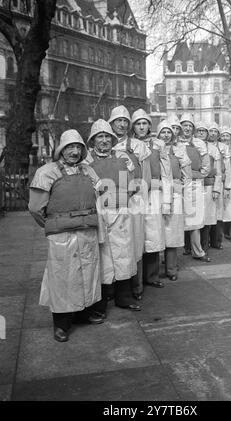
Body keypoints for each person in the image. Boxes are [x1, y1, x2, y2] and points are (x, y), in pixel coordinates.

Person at [28, 129, 105, 342]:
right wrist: (55, 224)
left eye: (78, 147)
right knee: (63, 276)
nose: (74, 151)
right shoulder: (47, 172)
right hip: (61, 236)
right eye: (70, 147)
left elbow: (100, 196)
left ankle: (83, 313)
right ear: (61, 149)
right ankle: (61, 324)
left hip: (87, 230)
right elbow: (35, 208)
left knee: (87, 273)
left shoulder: (89, 171)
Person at [85, 119, 141, 312]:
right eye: (100, 137)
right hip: (99, 213)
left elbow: (131, 184)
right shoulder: (86, 162)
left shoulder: (122, 158)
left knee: (123, 252)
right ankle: (100, 300)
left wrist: (123, 199)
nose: (104, 140)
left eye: (107, 137)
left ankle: (123, 297)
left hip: (121, 212)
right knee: (102, 255)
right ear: (92, 140)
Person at [108, 105, 151, 301]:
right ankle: (112, 288)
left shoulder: (139, 146)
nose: (122, 124)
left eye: (125, 121)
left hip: (134, 200)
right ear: (111, 123)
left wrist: (142, 199)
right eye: (119, 121)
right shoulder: (104, 143)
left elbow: (147, 177)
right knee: (113, 246)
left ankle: (136, 286)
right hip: (110, 202)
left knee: (135, 242)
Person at [131, 109, 173, 288]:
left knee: (154, 234)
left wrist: (167, 199)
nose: (141, 127)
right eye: (138, 124)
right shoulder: (128, 144)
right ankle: (136, 281)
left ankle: (152, 276)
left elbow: (166, 173)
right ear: (133, 126)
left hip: (155, 192)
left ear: (149, 125)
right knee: (137, 235)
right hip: (135, 193)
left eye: (144, 123)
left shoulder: (158, 144)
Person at [157, 120, 192, 280]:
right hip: (156, 194)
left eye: (168, 132)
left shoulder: (179, 150)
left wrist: (180, 187)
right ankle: (154, 270)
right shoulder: (152, 149)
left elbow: (187, 175)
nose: (166, 135)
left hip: (175, 194)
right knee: (155, 231)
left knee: (172, 231)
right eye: (163, 132)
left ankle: (171, 268)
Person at [179, 113, 210, 261]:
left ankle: (197, 251)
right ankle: (171, 255)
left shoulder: (199, 143)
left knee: (195, 219)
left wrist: (199, 175)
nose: (187, 128)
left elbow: (206, 165)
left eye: (190, 126)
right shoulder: (175, 143)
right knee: (174, 218)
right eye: (184, 125)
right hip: (178, 185)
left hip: (195, 185)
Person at [196, 122, 222, 254]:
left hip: (208, 186)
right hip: (193, 187)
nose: (201, 133)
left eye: (203, 131)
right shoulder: (190, 146)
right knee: (193, 217)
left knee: (207, 218)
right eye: (199, 130)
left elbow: (218, 171)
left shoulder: (213, 149)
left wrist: (216, 189)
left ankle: (204, 245)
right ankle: (190, 247)